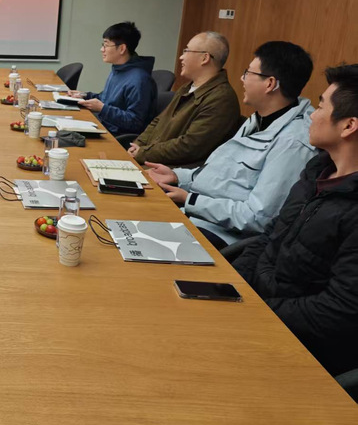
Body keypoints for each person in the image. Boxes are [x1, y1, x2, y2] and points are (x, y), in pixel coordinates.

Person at [233, 64, 358, 377]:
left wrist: (256, 309)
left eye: (320, 106)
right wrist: (233, 286)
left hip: (300, 348)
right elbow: (270, 234)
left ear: (348, 126)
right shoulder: (317, 171)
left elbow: (337, 311)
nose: (312, 116)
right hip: (259, 308)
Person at [146, 41, 317, 249]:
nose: (242, 79)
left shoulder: (293, 143)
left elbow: (258, 217)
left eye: (248, 73)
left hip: (221, 235)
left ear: (270, 84)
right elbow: (222, 178)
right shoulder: (260, 119)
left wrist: (190, 200)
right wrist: (177, 177)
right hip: (198, 217)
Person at [128, 31, 241, 167]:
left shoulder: (221, 99)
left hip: (169, 170)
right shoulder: (187, 87)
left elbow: (189, 146)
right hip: (150, 160)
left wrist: (142, 152)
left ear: (204, 58)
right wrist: (138, 145)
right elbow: (158, 121)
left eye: (187, 51)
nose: (181, 57)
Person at [68, 21, 155, 136]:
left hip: (115, 136)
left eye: (106, 45)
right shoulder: (119, 69)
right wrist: (85, 95)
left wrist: (102, 109)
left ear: (122, 49)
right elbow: (106, 99)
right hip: (103, 125)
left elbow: (135, 122)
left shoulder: (140, 80)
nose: (102, 49)